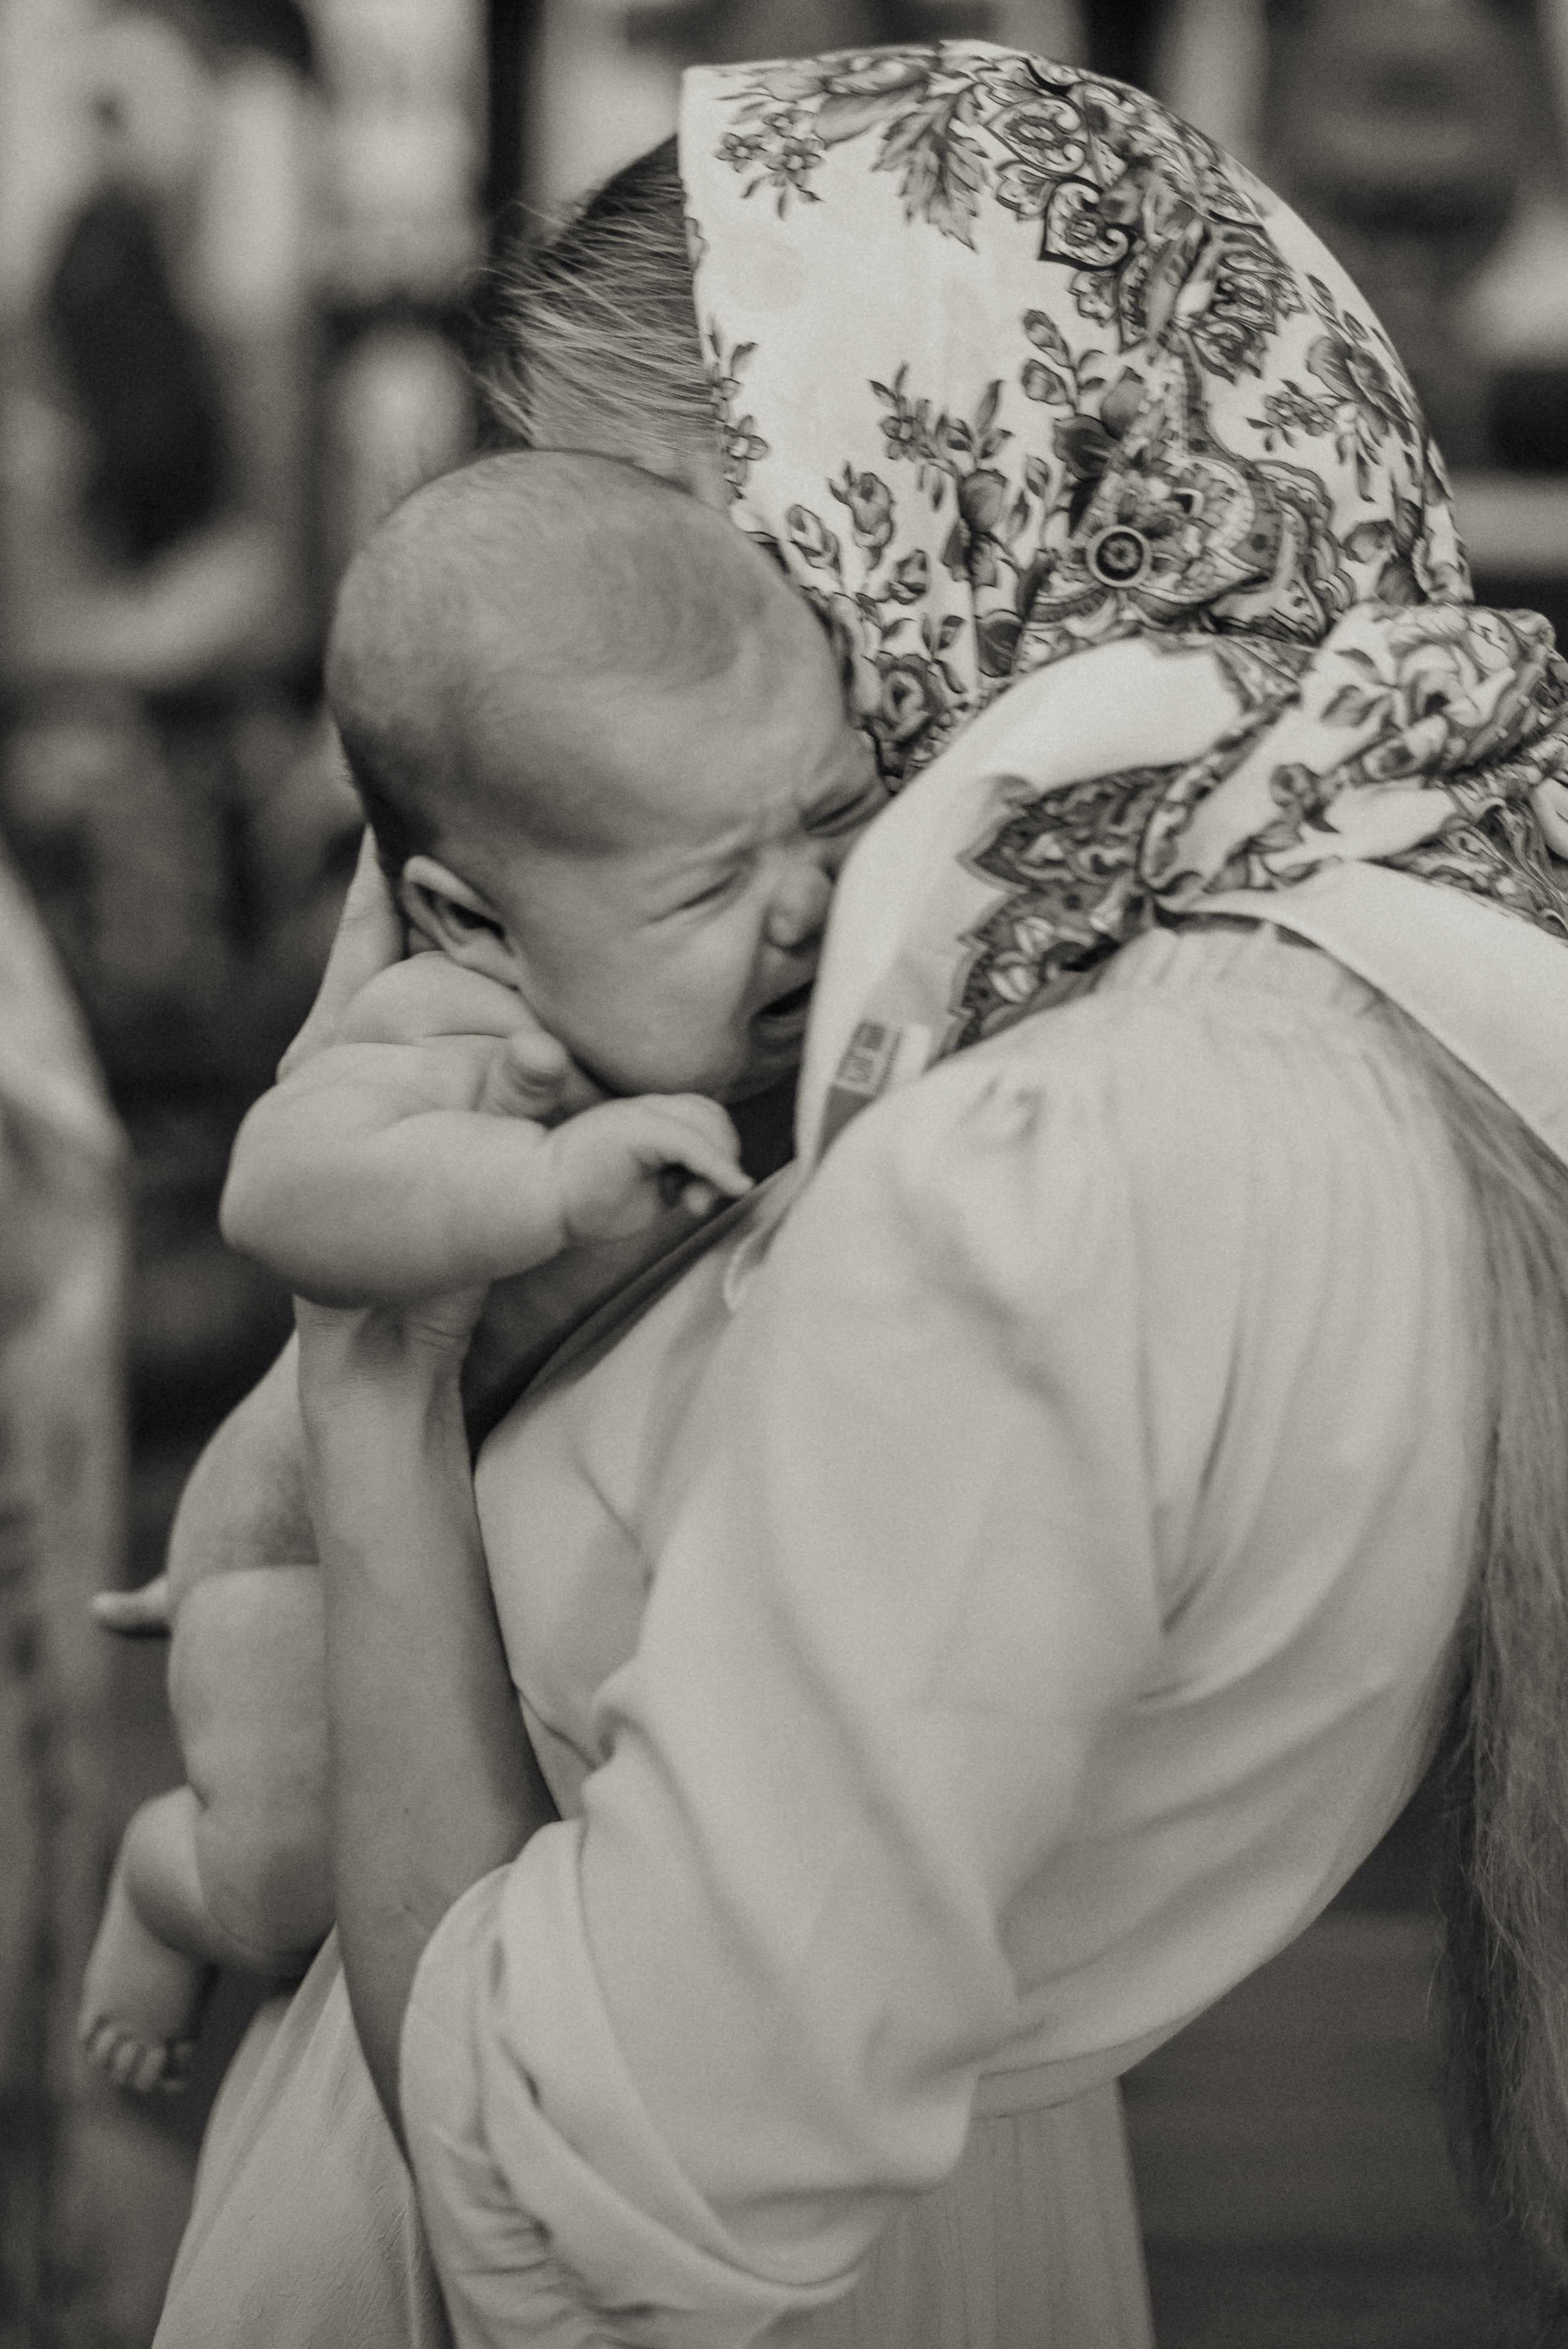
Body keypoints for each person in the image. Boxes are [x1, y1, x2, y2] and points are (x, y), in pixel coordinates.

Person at [153, 41, 1568, 2349]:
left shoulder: (1032, 1177)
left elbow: (566, 2198)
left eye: (665, 578)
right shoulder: (1332, 1004)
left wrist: (375, 1348)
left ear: (908, 509)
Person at [80, 444, 887, 2091]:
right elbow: (280, 1190)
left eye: (829, 813)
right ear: (474, 916)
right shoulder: (473, 1036)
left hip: (505, 1580)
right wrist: (528, 1180)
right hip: (287, 1552)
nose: (804, 902)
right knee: (287, 1871)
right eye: (714, 882)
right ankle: (160, 1886)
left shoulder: (740, 1027)